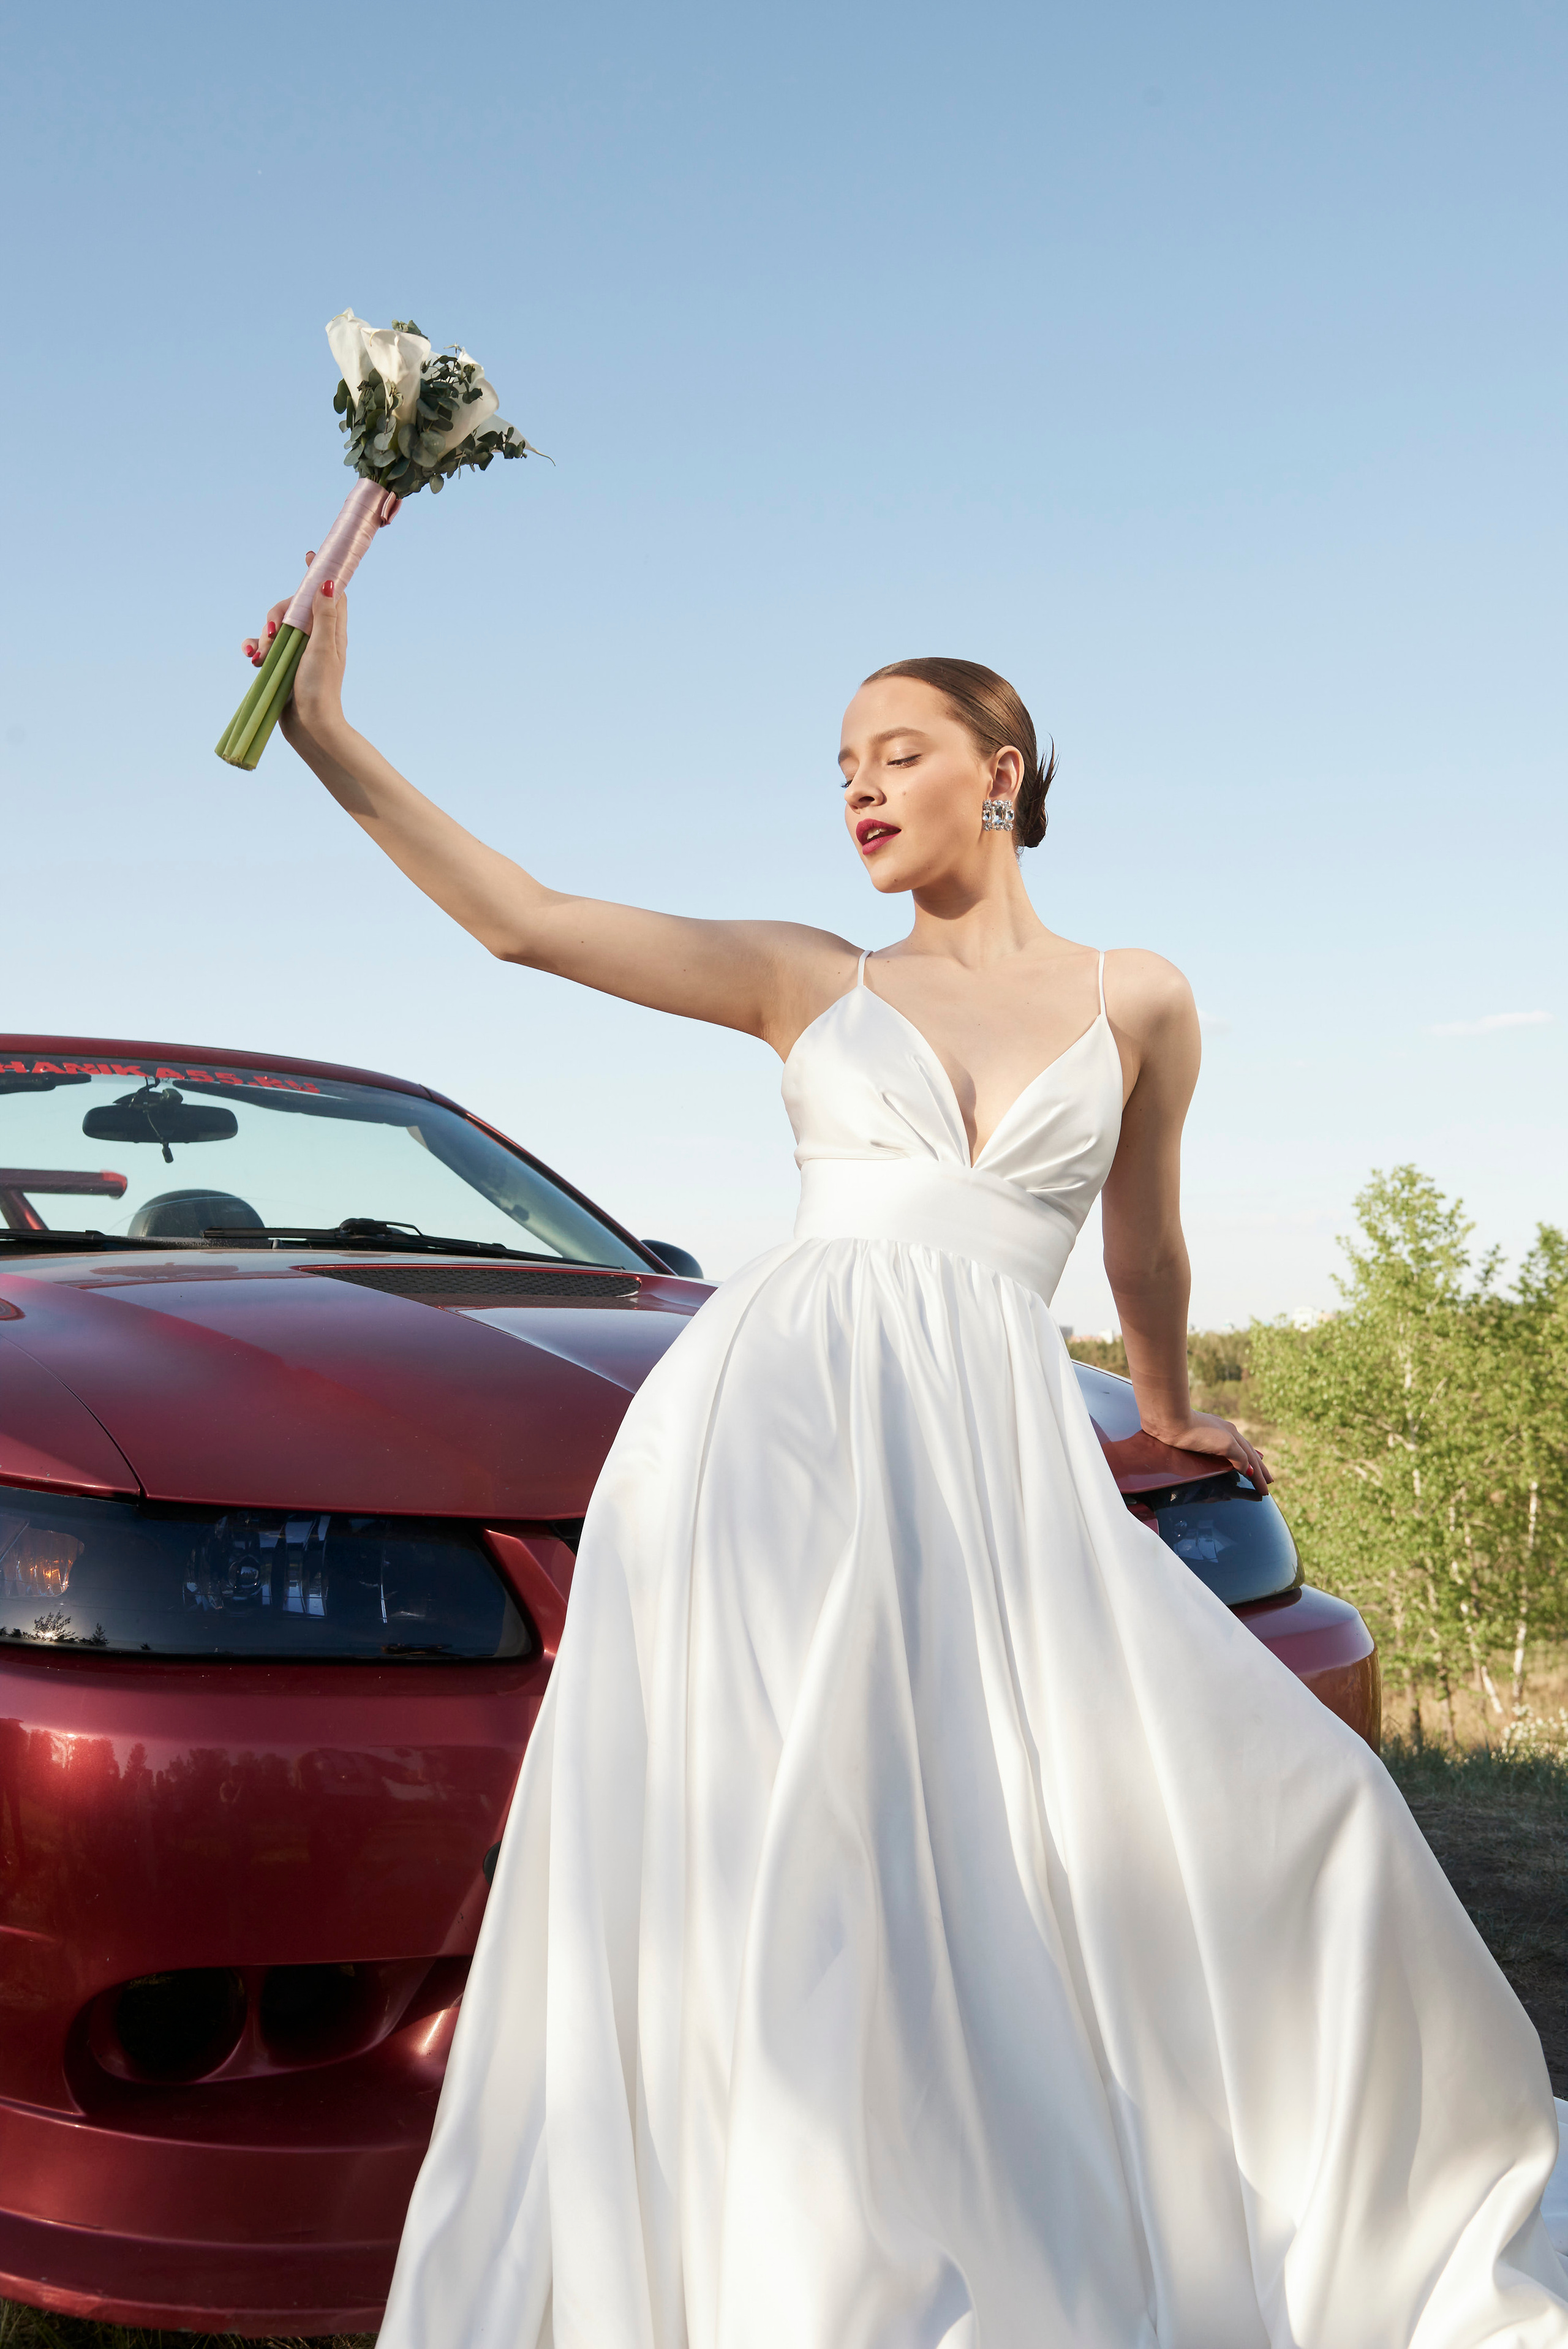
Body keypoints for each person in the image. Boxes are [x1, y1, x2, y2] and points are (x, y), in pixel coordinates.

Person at [242, 581, 1568, 2347]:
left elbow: (1143, 1248)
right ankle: (792, 2262)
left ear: (1000, 772)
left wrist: (1167, 1401)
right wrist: (329, 732)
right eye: (841, 765)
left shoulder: (1140, 997)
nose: (860, 787)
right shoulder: (810, 977)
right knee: (806, 1844)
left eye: (900, 751)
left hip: (994, 1441)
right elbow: (528, 924)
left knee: (1256, 1811)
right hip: (763, 1437)